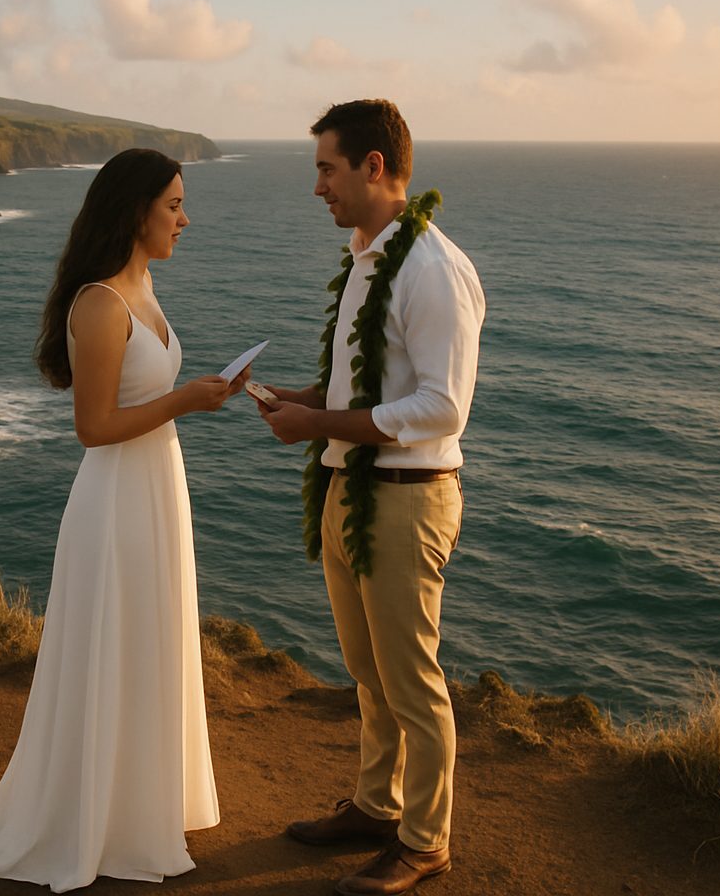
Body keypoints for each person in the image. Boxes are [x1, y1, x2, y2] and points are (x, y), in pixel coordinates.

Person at [0, 148, 249, 891]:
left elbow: (140, 401)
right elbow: (94, 426)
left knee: (149, 638)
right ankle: (98, 813)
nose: (185, 219)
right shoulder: (100, 303)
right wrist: (187, 401)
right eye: (173, 206)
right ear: (136, 211)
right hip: (116, 499)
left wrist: (209, 393)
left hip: (156, 485)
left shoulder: (144, 284)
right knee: (119, 640)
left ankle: (140, 800)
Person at [254, 100, 485, 895]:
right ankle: (375, 804)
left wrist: (319, 421)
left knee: (411, 678)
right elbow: (367, 388)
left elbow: (444, 406)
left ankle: (426, 841)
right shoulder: (366, 256)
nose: (318, 185)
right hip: (352, 488)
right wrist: (304, 398)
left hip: (406, 498)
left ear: (373, 166)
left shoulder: (430, 268)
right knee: (367, 669)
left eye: (327, 167)